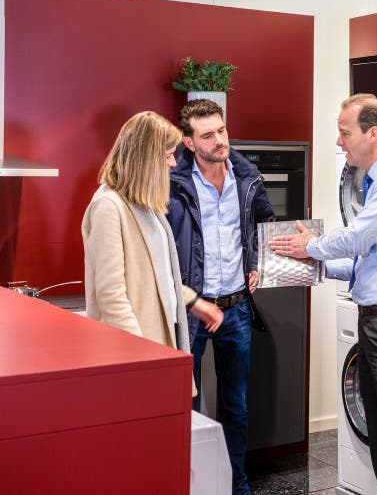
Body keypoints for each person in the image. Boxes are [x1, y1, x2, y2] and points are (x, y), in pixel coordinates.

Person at [270, 94, 377, 495]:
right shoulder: (376, 184)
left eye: (344, 133)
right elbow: (369, 260)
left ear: (373, 133)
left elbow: (359, 237)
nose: (338, 142)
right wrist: (311, 265)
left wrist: (310, 247)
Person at [166, 98, 273, 495]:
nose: (219, 140)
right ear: (190, 143)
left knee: (236, 407)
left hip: (236, 307)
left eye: (222, 130)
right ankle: (191, 485)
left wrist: (258, 259)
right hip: (191, 310)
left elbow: (265, 222)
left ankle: (235, 483)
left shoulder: (246, 177)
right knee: (185, 408)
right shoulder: (174, 181)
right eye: (207, 135)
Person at [82, 111, 222, 360]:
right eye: (168, 155)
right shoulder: (109, 206)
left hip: (160, 339)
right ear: (145, 159)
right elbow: (111, 295)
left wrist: (193, 301)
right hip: (133, 350)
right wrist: (140, 353)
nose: (173, 163)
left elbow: (159, 276)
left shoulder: (145, 205)